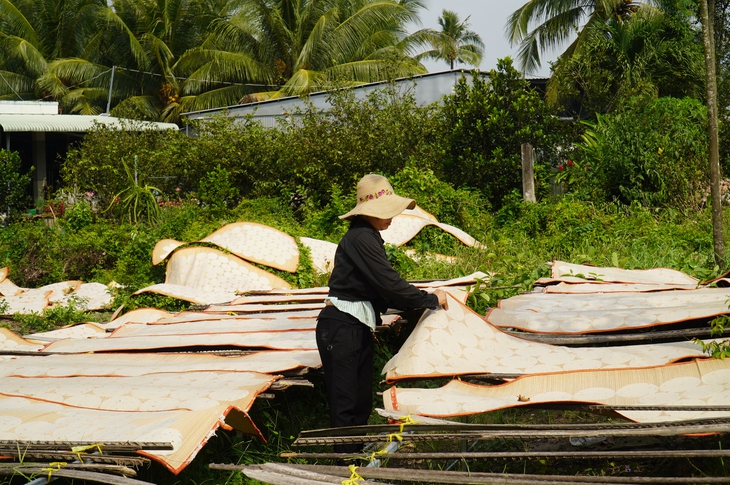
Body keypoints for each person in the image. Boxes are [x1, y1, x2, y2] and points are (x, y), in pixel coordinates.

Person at [316, 173, 448, 454]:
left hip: (355, 326)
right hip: (341, 327)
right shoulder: (361, 237)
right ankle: (343, 464)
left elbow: (378, 289)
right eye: (386, 212)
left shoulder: (368, 236)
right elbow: (389, 283)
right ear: (368, 213)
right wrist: (430, 299)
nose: (391, 217)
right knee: (346, 403)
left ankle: (355, 454)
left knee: (361, 400)